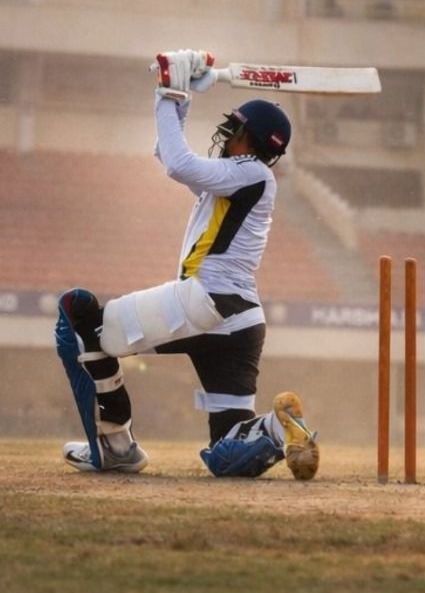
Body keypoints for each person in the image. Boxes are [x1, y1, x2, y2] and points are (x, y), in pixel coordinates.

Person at [53, 49, 320, 480]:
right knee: (225, 453)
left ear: (249, 138)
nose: (226, 135)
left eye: (234, 129)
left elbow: (179, 163)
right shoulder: (241, 180)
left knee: (81, 322)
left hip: (206, 303)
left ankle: (115, 446)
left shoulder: (250, 173)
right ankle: (277, 427)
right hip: (241, 322)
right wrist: (180, 96)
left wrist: (170, 92)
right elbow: (167, 152)